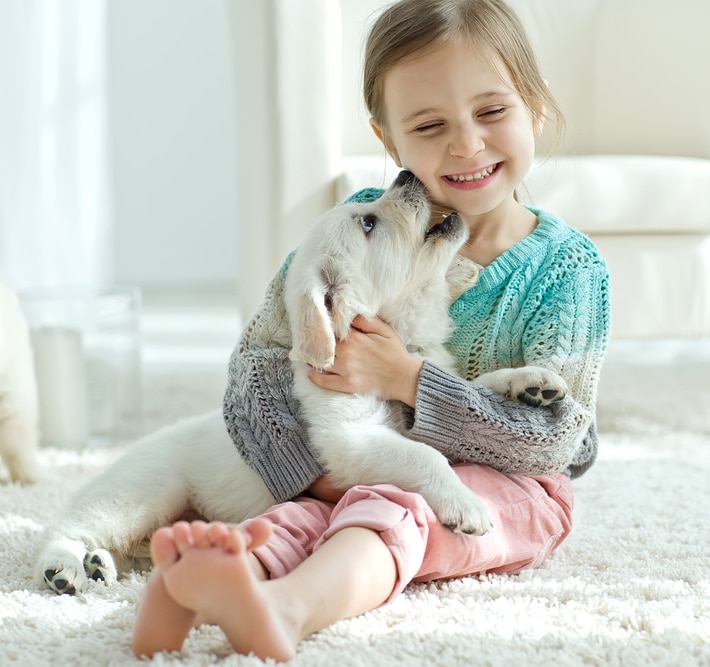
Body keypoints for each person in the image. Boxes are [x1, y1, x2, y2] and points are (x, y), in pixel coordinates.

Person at [131, 0, 611, 661]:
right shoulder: (354, 231)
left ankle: (286, 605)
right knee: (305, 519)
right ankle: (205, 583)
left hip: (515, 487)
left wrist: (409, 381)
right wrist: (315, 478)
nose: (467, 143)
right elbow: (252, 371)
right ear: (389, 140)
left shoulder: (567, 269)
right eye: (429, 123)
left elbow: (565, 442)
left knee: (393, 513)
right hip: (362, 464)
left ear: (537, 107)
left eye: (492, 111)